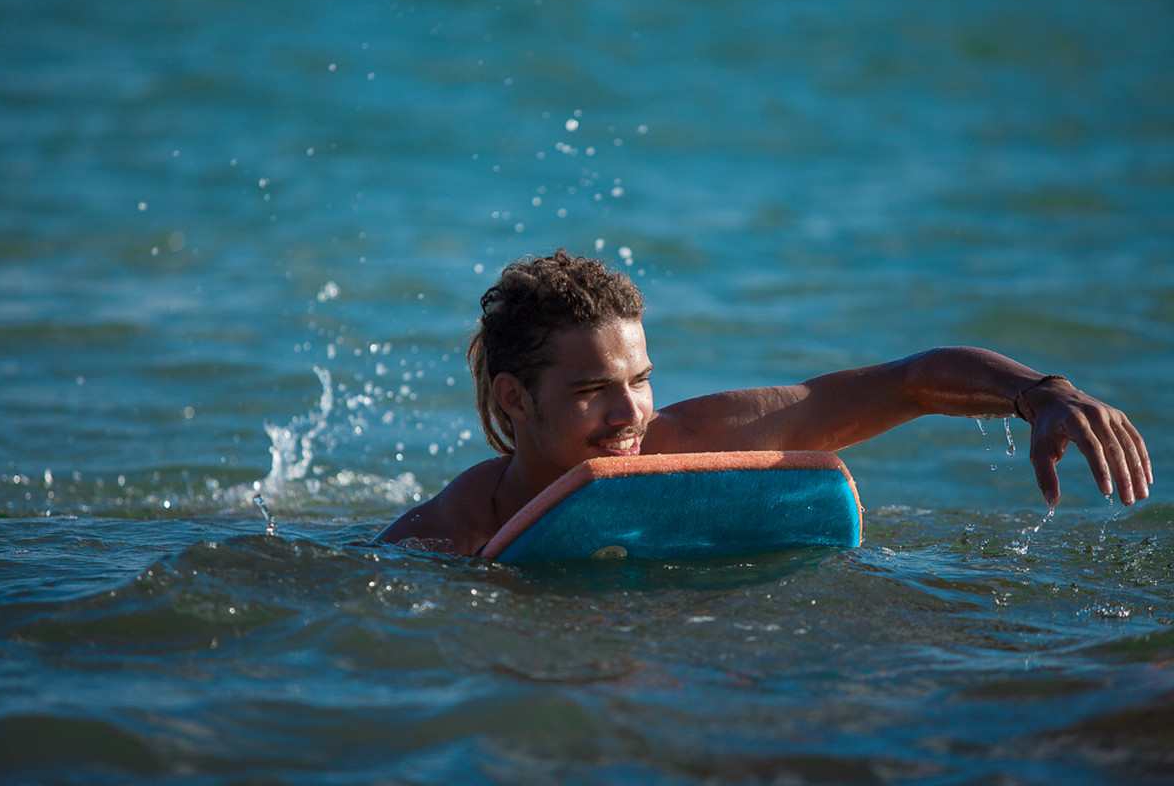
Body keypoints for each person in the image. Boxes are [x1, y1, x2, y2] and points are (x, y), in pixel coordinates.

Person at [376, 250, 1152, 555]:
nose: (628, 416)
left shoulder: (688, 441)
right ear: (513, 398)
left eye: (640, 381)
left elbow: (911, 380)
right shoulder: (450, 535)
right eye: (590, 392)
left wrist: (1040, 394)